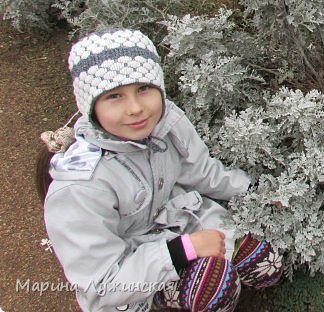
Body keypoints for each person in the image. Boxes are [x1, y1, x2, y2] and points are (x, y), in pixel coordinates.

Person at [36, 28, 283, 312]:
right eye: (114, 96)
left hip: (180, 220)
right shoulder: (80, 187)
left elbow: (202, 171)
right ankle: (158, 300)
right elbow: (100, 286)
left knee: (266, 264)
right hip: (131, 267)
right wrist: (183, 251)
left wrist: (254, 191)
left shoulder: (164, 122)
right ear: (91, 107)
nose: (136, 108)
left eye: (143, 89)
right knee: (215, 290)